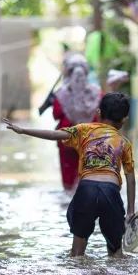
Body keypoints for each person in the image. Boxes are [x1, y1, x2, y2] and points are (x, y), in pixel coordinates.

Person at [3, 92, 136, 258]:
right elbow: (131, 179)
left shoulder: (84, 130)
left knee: (77, 254)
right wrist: (130, 210)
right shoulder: (125, 143)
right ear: (125, 119)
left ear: (99, 112)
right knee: (116, 254)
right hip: (111, 191)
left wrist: (23, 130)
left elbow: (53, 135)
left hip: (86, 189)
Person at [52, 53, 103, 193]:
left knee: (69, 176)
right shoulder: (97, 92)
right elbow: (103, 115)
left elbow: (56, 115)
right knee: (90, 172)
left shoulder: (61, 94)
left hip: (66, 139)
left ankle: (69, 200)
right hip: (91, 140)